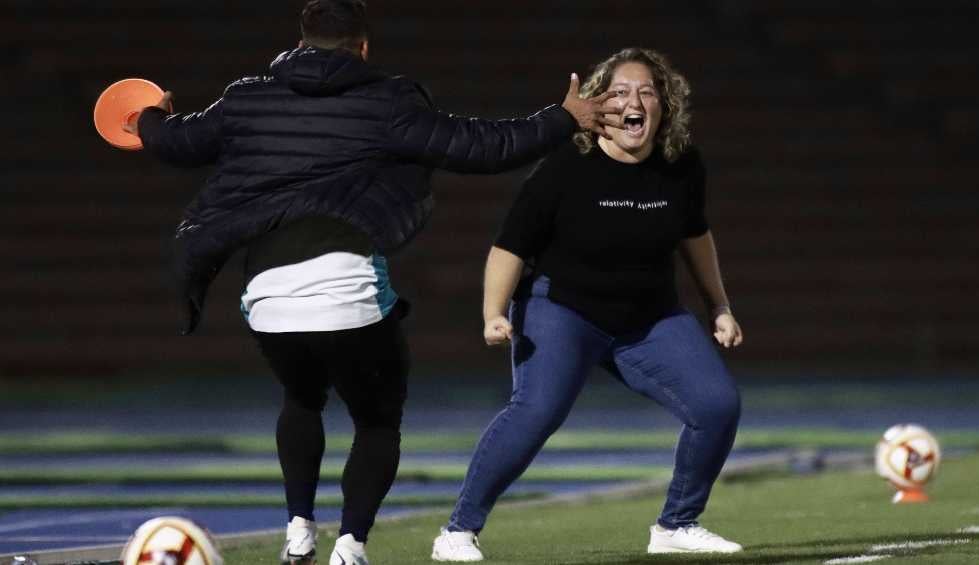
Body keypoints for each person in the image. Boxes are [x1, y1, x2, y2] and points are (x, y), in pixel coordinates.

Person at [127, 1, 620, 563]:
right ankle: (351, 545)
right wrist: (563, 118)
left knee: (301, 398)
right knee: (378, 419)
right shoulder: (389, 101)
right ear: (363, 46)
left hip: (267, 298)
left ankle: (297, 529)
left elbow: (176, 144)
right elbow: (483, 147)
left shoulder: (246, 97)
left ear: (302, 41)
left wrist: (150, 116)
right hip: (347, 292)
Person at [431, 47, 744, 562]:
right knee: (536, 412)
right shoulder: (564, 166)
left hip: (648, 318)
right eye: (619, 92)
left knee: (717, 404)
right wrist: (493, 312)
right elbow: (509, 246)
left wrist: (720, 306)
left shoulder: (682, 164)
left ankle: (677, 524)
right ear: (598, 106)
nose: (633, 102)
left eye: (646, 91)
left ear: (664, 106)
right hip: (565, 312)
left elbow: (696, 237)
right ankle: (458, 531)